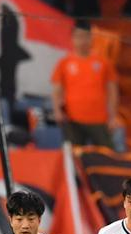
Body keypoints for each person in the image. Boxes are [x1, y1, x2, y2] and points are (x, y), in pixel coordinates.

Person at [50, 20, 119, 149]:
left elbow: (112, 90)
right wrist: (57, 110)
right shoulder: (64, 63)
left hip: (99, 119)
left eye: (86, 36)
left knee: (106, 153)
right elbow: (57, 90)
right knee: (75, 154)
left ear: (92, 38)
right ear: (72, 39)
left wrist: (113, 116)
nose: (82, 41)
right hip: (73, 119)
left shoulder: (103, 62)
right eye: (78, 37)